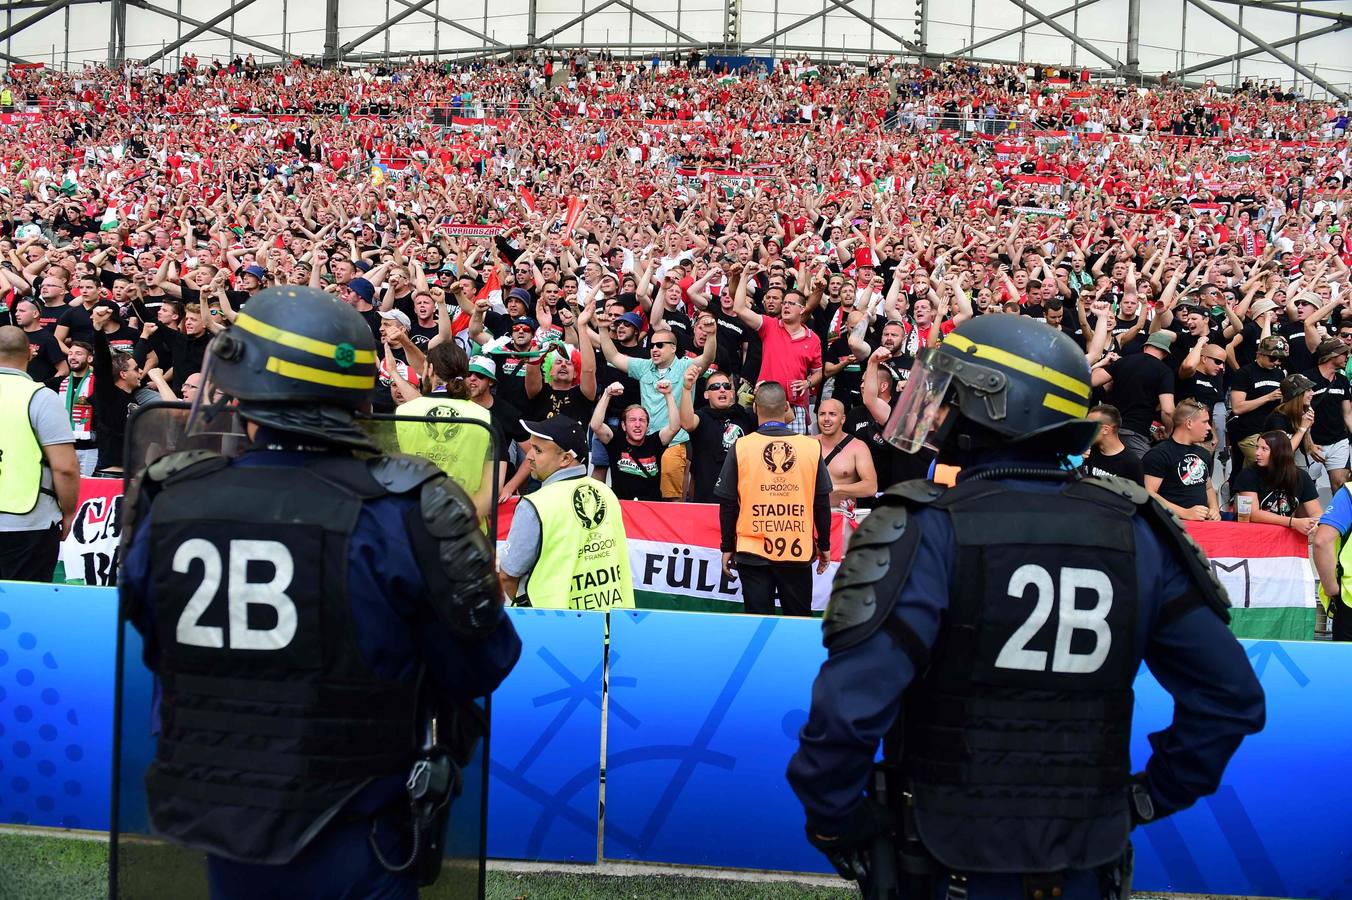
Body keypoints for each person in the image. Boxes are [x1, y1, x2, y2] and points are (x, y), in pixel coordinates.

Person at [788, 315, 1264, 900]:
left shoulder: (924, 528)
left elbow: (845, 713)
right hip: (1090, 855)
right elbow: (1230, 699)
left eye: (952, 397)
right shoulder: (1139, 528)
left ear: (994, 407)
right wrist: (1146, 798)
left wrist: (839, 821)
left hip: (943, 857)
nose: (938, 412)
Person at [117, 286, 520, 898]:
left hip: (220, 827)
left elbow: (153, 637)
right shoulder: (407, 511)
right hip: (360, 831)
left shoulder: (169, 500)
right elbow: (481, 662)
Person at [715, 382, 833, 617]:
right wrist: (825, 545)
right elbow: (821, 502)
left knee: (758, 623)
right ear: (787, 407)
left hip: (752, 550)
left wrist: (727, 546)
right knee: (798, 621)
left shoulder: (741, 446)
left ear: (756, 408)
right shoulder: (811, 447)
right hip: (797, 549)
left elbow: (728, 504)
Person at [498, 414, 635, 610]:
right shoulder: (606, 492)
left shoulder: (535, 504)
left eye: (537, 450)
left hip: (555, 629)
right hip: (610, 624)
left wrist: (524, 604)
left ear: (565, 459)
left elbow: (507, 575)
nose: (528, 456)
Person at [0, 326, 80, 581]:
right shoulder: (41, 397)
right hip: (27, 523)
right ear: (31, 353)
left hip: (26, 524)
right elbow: (65, 467)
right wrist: (68, 513)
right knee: (23, 611)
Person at [394, 342, 496, 520]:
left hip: (412, 522)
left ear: (430, 369)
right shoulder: (485, 417)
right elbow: (490, 488)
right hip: (466, 528)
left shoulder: (403, 412)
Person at [588, 380, 680, 502]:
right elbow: (595, 425)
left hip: (650, 509)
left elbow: (674, 427)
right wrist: (607, 394)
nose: (637, 424)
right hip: (623, 509)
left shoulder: (655, 442)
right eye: (632, 420)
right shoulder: (616, 442)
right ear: (624, 426)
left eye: (642, 420)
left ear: (647, 426)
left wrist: (668, 395)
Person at [677, 365, 755, 504]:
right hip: (708, 496)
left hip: (741, 498)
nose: (722, 389)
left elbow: (787, 417)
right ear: (706, 395)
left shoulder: (744, 415)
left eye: (726, 386)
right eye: (715, 387)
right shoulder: (702, 416)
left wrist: (762, 395)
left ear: (732, 393)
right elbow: (687, 423)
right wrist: (687, 388)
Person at [1096, 329, 1176, 458]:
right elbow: (1167, 410)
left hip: (1109, 428)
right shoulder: (1164, 372)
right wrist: (1168, 431)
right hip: (1136, 433)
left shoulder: (1123, 361)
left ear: (1145, 347)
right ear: (1165, 353)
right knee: (1139, 474)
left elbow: (1093, 380)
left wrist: (1101, 363)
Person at [1142, 399, 1221, 522]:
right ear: (1189, 423)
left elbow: (1208, 487)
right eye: (1205, 422)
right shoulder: (1159, 454)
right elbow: (1148, 493)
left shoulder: (1203, 453)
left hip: (1203, 525)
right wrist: (1185, 513)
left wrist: (1214, 509)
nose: (1209, 428)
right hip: (1171, 525)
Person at [1233, 431, 1320, 533]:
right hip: (1253, 535)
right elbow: (1253, 514)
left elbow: (1316, 512)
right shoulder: (1248, 474)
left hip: (1284, 536)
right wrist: (1293, 522)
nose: (1257, 453)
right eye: (1257, 447)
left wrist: (1315, 524)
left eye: (1264, 449)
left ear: (1279, 453)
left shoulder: (1301, 476)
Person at [1229, 334, 1289, 468]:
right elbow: (1237, 407)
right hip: (1249, 430)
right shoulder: (1244, 373)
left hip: (1272, 429)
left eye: (1280, 359)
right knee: (1267, 466)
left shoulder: (1279, 374)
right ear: (1260, 354)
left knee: (1251, 470)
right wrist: (1267, 397)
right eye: (1273, 358)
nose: (1276, 362)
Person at [1301, 336, 1352, 492]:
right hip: (1313, 441)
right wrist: (1308, 444)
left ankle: (1342, 517)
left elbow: (1348, 414)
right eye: (1344, 354)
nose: (1347, 357)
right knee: (1306, 489)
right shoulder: (1306, 378)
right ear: (1332, 355)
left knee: (1341, 484)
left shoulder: (1342, 380)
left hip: (1338, 440)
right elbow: (1298, 413)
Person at [815, 398, 878, 517]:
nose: (826, 419)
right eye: (822, 414)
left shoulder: (857, 447)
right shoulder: (807, 443)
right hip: (811, 516)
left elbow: (871, 487)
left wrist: (835, 488)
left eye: (832, 414)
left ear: (843, 419)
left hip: (843, 517)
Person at [1082, 404, 1145, 485]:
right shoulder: (1086, 450)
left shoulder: (1131, 463)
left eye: (1089, 426)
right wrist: (1077, 461)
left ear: (1105, 429)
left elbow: (1137, 495)